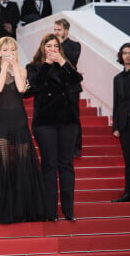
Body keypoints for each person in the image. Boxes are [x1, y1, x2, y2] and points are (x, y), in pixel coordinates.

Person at [0, 37, 45, 223]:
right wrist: (4, 66)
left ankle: (23, 210)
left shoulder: (22, 70)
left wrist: (15, 67)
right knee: (3, 163)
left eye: (11, 49)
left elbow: (20, 88)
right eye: (4, 49)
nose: (8, 52)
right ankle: (4, 210)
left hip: (19, 120)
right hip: (1, 121)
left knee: (22, 163)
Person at [27, 34, 83, 221]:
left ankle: (69, 211)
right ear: (43, 48)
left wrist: (62, 63)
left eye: (55, 46)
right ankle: (50, 211)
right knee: (49, 165)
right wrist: (47, 65)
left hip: (68, 122)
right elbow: (35, 85)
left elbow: (76, 81)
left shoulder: (66, 67)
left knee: (66, 165)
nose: (52, 49)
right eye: (48, 46)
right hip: (45, 123)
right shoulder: (34, 67)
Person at [54, 19, 82, 157]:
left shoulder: (74, 45)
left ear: (66, 30)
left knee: (74, 116)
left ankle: (77, 147)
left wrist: (60, 45)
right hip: (57, 87)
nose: (56, 32)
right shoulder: (52, 45)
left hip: (71, 86)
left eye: (59, 29)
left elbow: (73, 60)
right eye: (55, 30)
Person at [112, 43, 130, 203]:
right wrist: (116, 126)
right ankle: (128, 192)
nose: (127, 56)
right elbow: (116, 103)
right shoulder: (117, 79)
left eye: (129, 53)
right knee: (128, 160)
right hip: (125, 125)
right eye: (124, 53)